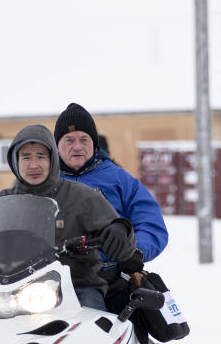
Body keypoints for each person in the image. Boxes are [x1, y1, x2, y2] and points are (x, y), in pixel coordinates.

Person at [0, 124, 136, 311]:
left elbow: (118, 236)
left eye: (41, 156)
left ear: (53, 160)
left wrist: (119, 230)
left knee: (95, 331)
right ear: (15, 161)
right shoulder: (2, 202)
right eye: (26, 157)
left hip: (75, 288)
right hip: (9, 292)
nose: (34, 165)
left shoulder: (82, 197)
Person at [54, 103, 168, 264]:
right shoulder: (44, 181)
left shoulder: (120, 179)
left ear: (94, 144)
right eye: (69, 140)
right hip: (50, 276)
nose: (77, 147)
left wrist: (136, 251)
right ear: (57, 146)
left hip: (109, 271)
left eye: (84, 139)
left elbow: (150, 222)